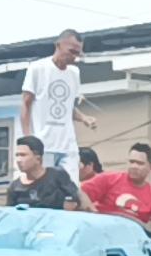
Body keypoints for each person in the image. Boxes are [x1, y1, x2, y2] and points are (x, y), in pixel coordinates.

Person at [19, 29, 95, 181]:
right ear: (58, 45)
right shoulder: (38, 68)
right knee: (46, 188)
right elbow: (26, 103)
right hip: (44, 144)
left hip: (68, 144)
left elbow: (67, 108)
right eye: (71, 51)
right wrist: (28, 139)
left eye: (78, 53)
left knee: (71, 189)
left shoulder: (74, 73)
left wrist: (84, 118)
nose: (74, 56)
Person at [82, 143, 151, 231]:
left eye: (140, 163)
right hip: (102, 233)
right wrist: (92, 212)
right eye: (131, 162)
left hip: (132, 239)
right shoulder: (108, 179)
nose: (134, 166)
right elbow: (79, 193)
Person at [6, 135, 85, 211]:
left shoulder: (57, 175)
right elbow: (11, 214)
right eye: (17, 155)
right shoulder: (14, 187)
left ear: (38, 158)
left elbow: (79, 197)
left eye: (23, 155)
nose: (18, 160)